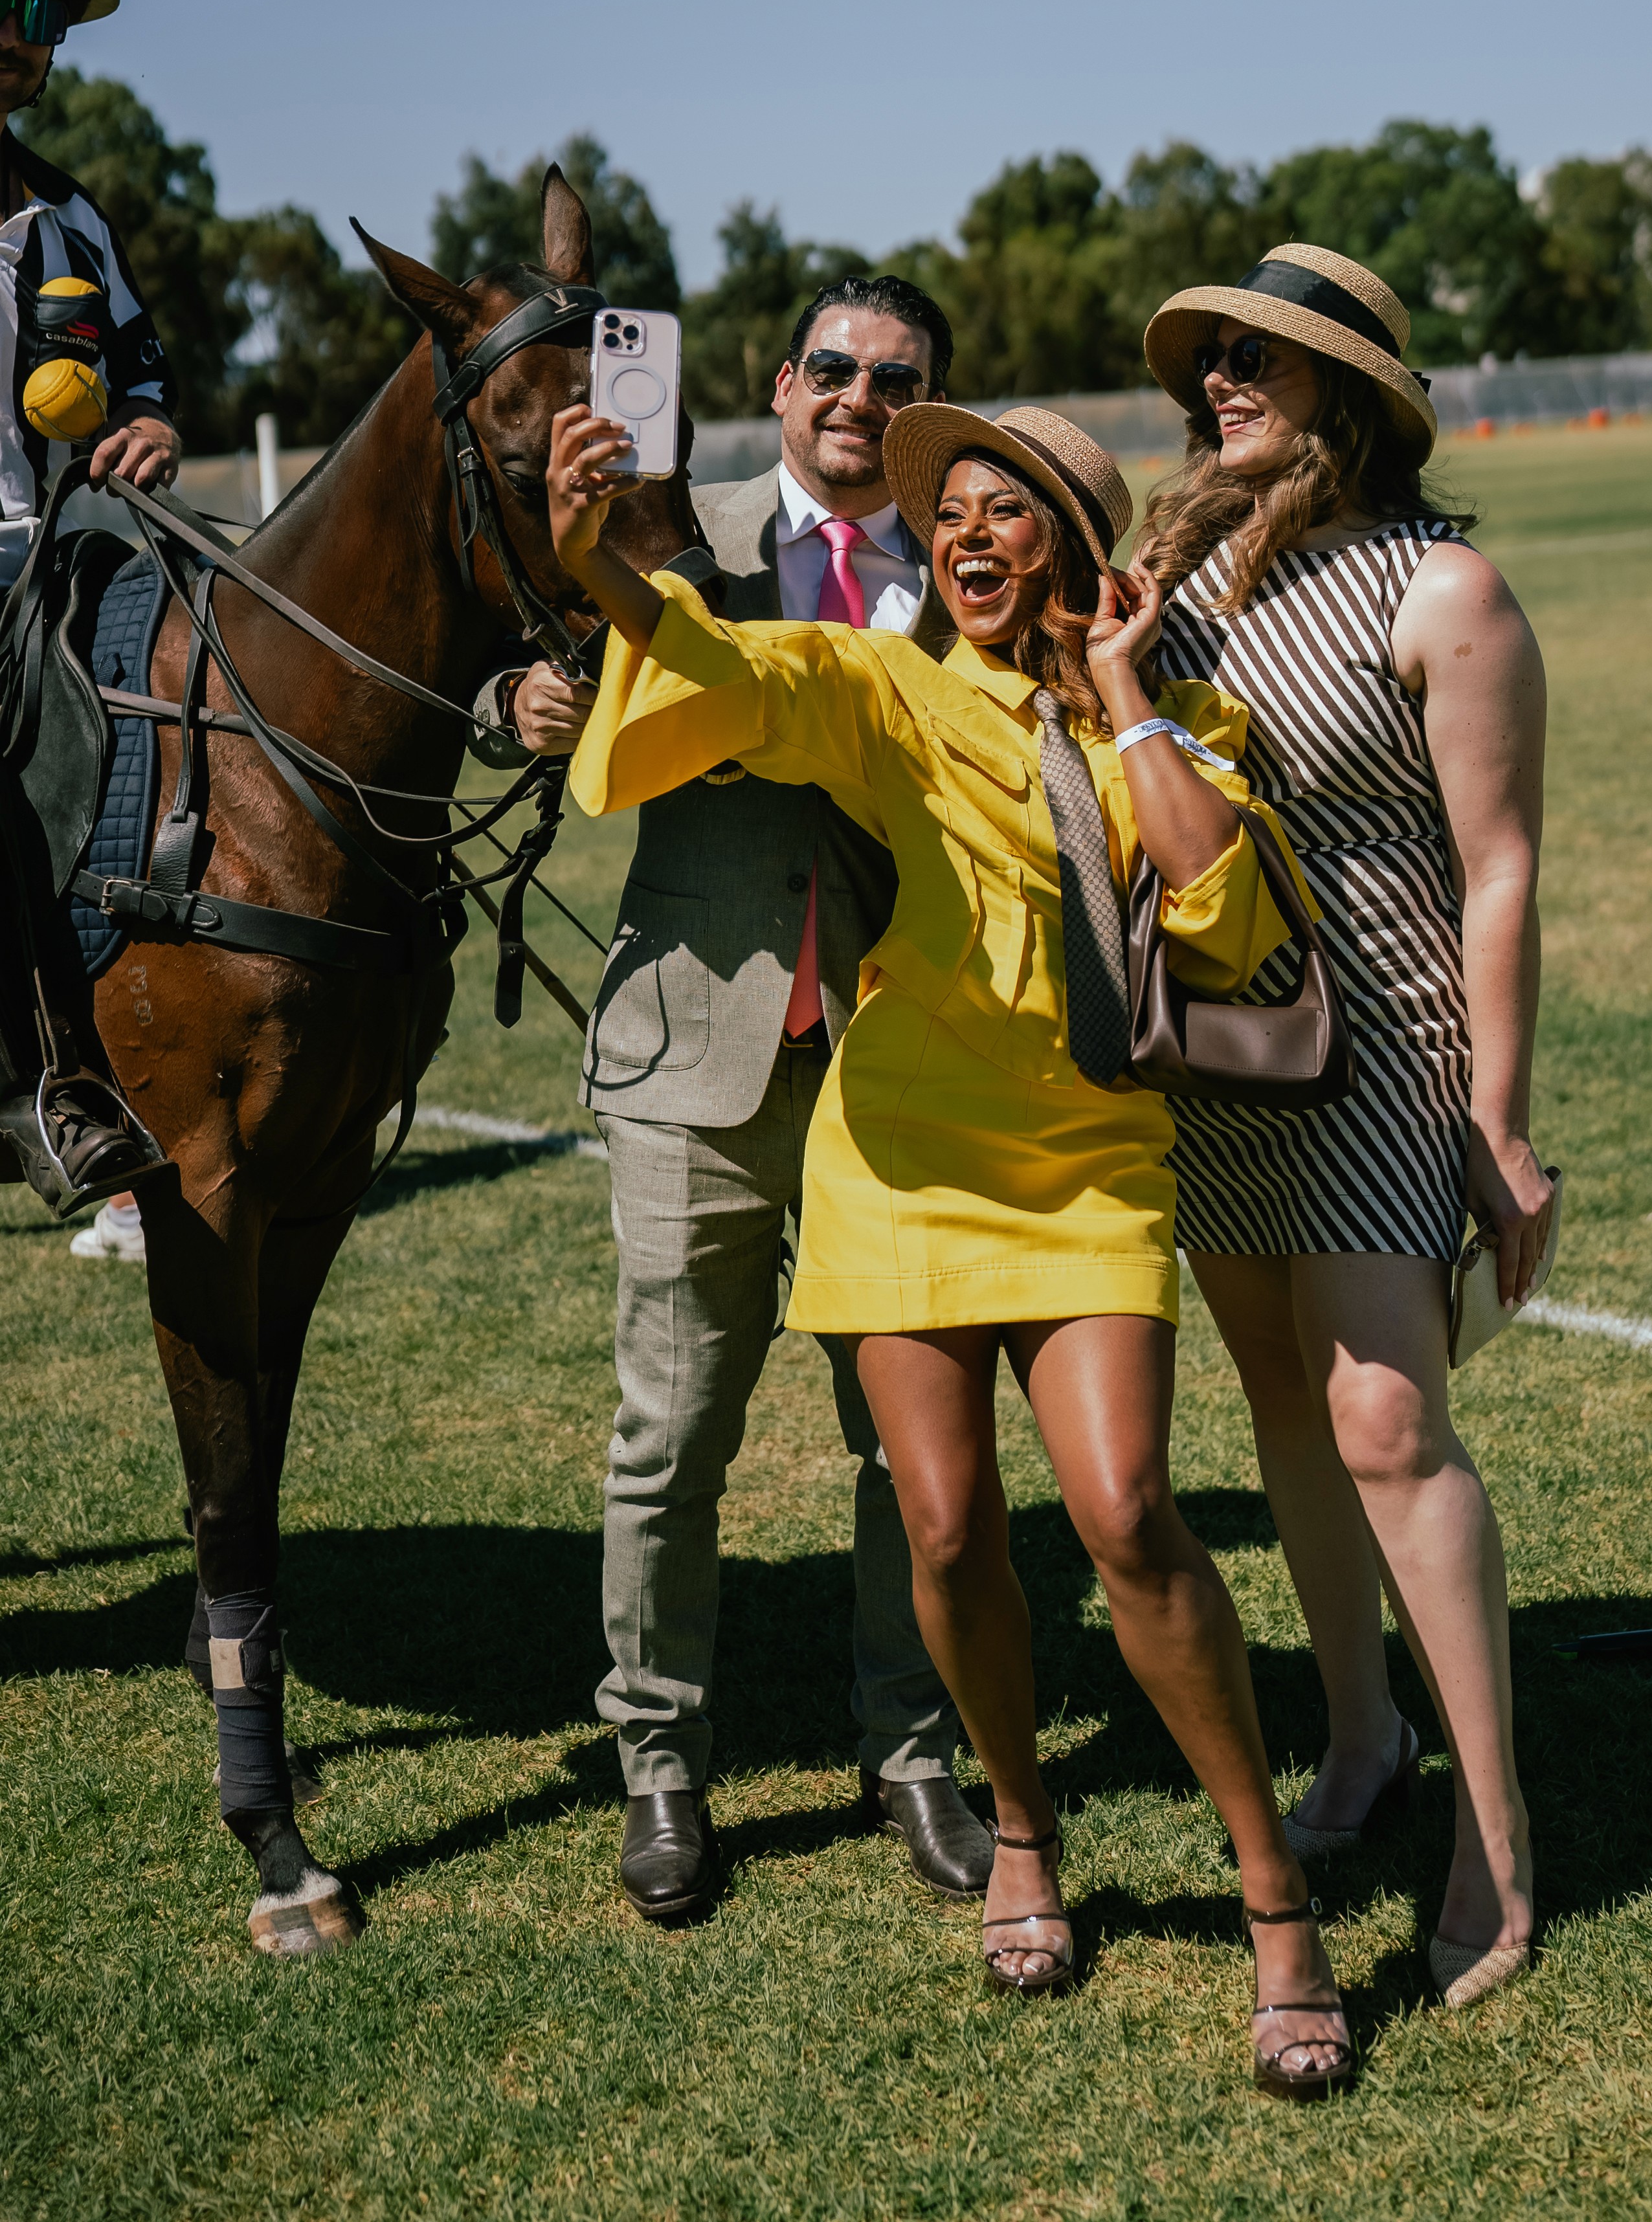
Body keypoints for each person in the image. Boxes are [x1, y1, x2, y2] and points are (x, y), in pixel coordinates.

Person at [552, 392, 1356, 2100]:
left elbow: (1222, 916)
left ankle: (1274, 1897)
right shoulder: (889, 686)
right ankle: (1021, 1826)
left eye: (1008, 512)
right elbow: (735, 669)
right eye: (954, 516)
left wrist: (1124, 688)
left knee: (1126, 1512)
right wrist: (597, 566)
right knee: (941, 1520)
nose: (968, 537)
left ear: (1072, 549)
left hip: (1087, 1163)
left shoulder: (1182, 715)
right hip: (900, 1158)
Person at [493, 274, 997, 1922]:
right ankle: (659, 1764)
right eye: (833, 366)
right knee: (670, 1439)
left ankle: (911, 1749)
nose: (859, 395)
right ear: (780, 383)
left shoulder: (968, 564)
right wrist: (526, 702)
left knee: (910, 1445)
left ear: (925, 413)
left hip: (893, 1068)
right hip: (687, 1060)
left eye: (896, 380)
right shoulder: (660, 523)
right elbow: (526, 671)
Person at [1137, 242, 1552, 2010]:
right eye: (1211, 359)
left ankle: (1497, 1845)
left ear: (1352, 393)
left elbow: (1499, 867)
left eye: (1260, 357)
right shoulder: (1176, 575)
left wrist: (1498, 1124)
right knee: (1284, 1412)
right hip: (1216, 1050)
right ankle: (1365, 1733)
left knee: (1384, 1421)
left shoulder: (1442, 589)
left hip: (1384, 1043)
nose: (1219, 381)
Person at [0, 0, 179, 1218]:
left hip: (47, 553)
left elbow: (145, 375)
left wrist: (152, 428)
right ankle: (44, 1085)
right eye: (10, 7)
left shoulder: (70, 217)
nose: (30, 41)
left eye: (48, 18)